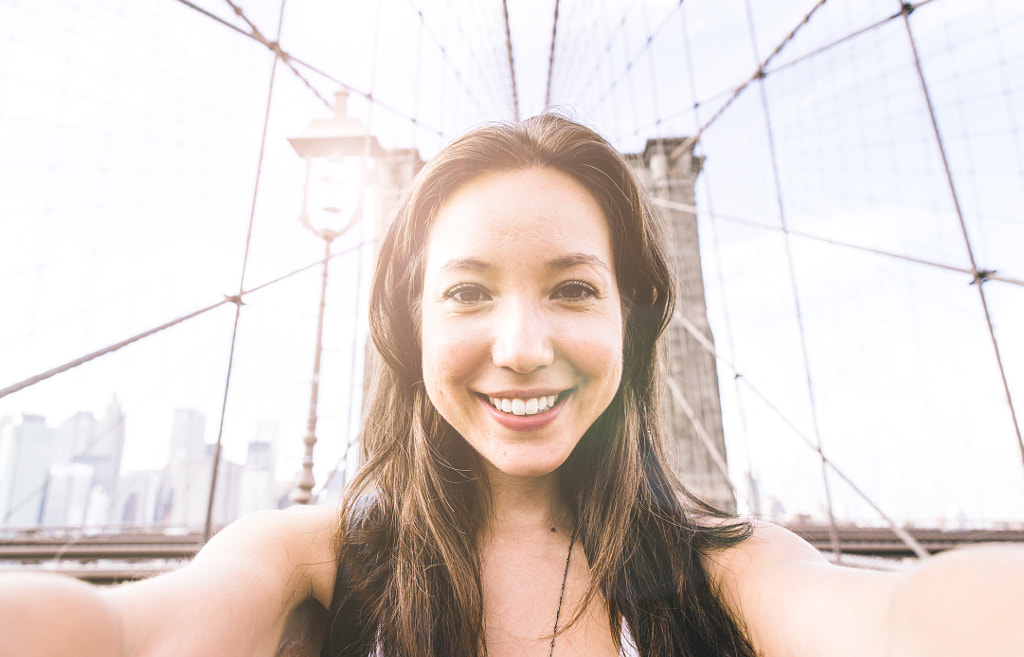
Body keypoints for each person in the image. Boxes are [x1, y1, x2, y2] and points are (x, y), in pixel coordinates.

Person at [2, 114, 1023, 657]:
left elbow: (902, 626)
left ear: (630, 320)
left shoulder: (732, 573)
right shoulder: (310, 562)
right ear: (410, 327)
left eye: (573, 288)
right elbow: (121, 635)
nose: (523, 347)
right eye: (467, 292)